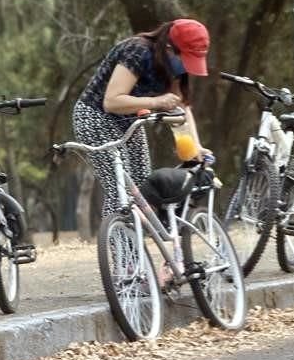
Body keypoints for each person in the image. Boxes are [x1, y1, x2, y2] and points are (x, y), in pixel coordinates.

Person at [72, 19, 211, 216]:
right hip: (95, 117)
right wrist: (156, 102)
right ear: (169, 48)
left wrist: (195, 146)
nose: (185, 67)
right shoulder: (138, 51)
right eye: (185, 59)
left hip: (129, 121)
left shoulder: (172, 67)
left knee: (144, 191)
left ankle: (138, 234)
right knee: (120, 189)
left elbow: (180, 107)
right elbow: (111, 101)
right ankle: (119, 235)